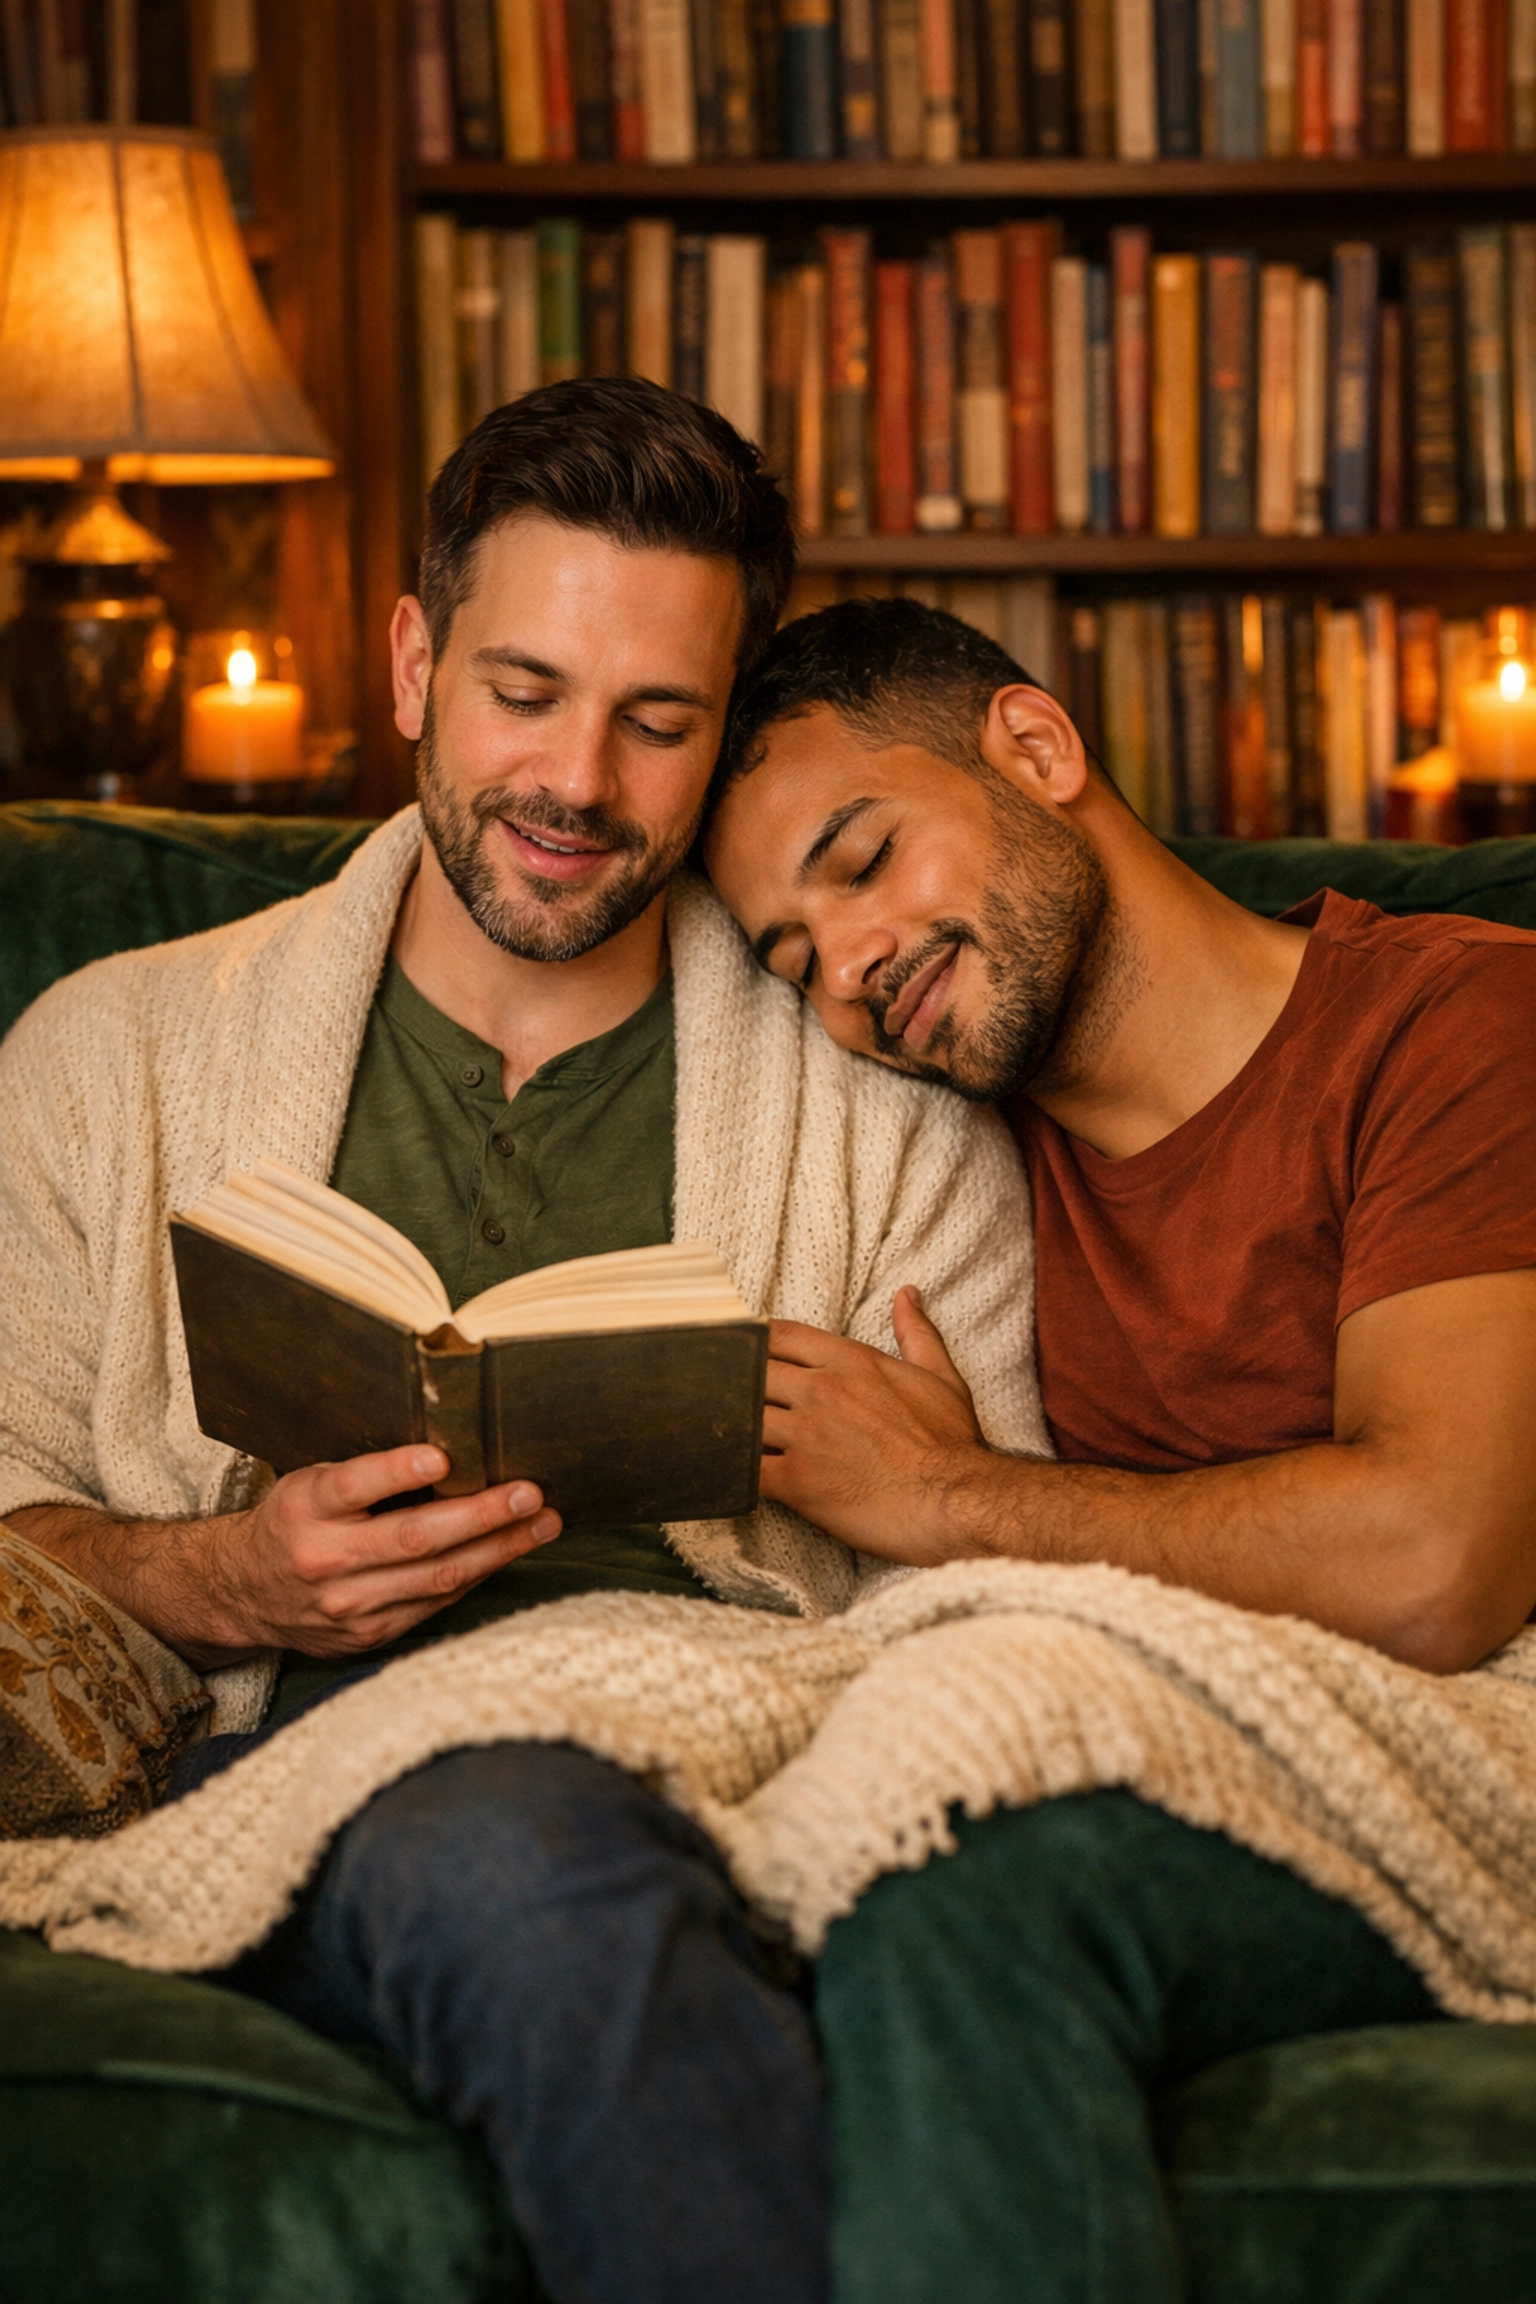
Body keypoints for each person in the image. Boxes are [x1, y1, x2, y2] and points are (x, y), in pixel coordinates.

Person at [0, 395, 1043, 2304]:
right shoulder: (104, 1059)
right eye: (523, 691)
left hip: (758, 1744)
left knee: (592, 1860)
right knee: (528, 1859)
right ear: (413, 663)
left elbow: (1014, 1593)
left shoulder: (885, 1095)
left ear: (723, 730)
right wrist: (225, 1578)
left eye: (657, 720)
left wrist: (946, 1493)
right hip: (333, 1780)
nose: (577, 779)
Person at [702, 594, 1536, 2303]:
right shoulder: (958, 1188)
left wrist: (946, 1497)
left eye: (861, 861)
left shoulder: (1457, 1026)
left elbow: (1439, 1556)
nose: (846, 972)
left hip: (1484, 1750)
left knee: (964, 1897)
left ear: (1038, 747)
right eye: (791, 960)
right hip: (1218, 1757)